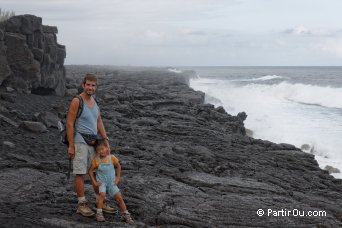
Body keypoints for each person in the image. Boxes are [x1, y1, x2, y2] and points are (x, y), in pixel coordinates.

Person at [66, 73, 115, 217]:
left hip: (94, 142)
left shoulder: (95, 102)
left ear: (96, 87)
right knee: (80, 172)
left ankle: (100, 201)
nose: (90, 87)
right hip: (80, 141)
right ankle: (81, 204)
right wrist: (71, 145)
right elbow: (69, 123)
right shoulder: (77, 101)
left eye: (93, 85)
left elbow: (99, 121)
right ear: (83, 85)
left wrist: (105, 140)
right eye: (88, 84)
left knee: (96, 172)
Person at [89, 141, 134, 224]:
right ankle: (99, 213)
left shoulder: (112, 158)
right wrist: (94, 182)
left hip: (111, 182)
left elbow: (119, 166)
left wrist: (117, 178)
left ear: (107, 148)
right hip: (102, 182)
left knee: (119, 197)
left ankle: (126, 214)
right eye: (99, 150)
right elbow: (90, 171)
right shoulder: (96, 160)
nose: (101, 151)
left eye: (102, 149)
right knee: (102, 195)